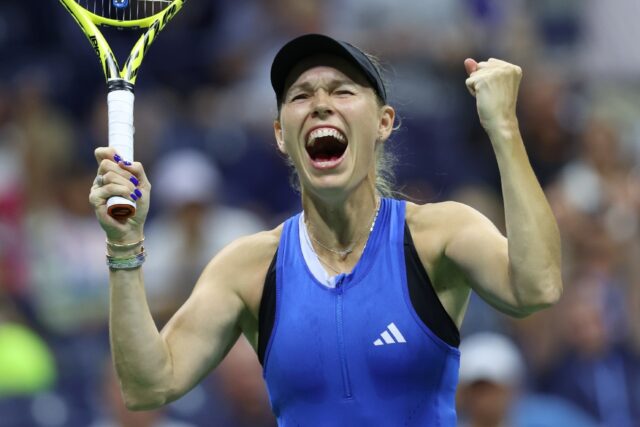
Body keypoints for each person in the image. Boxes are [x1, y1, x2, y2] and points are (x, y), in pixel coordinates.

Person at [89, 33, 562, 426]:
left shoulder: (438, 234)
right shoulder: (249, 267)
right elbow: (147, 385)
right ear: (280, 134)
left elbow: (536, 286)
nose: (319, 105)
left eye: (341, 91)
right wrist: (124, 246)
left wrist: (504, 129)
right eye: (300, 95)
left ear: (383, 122)